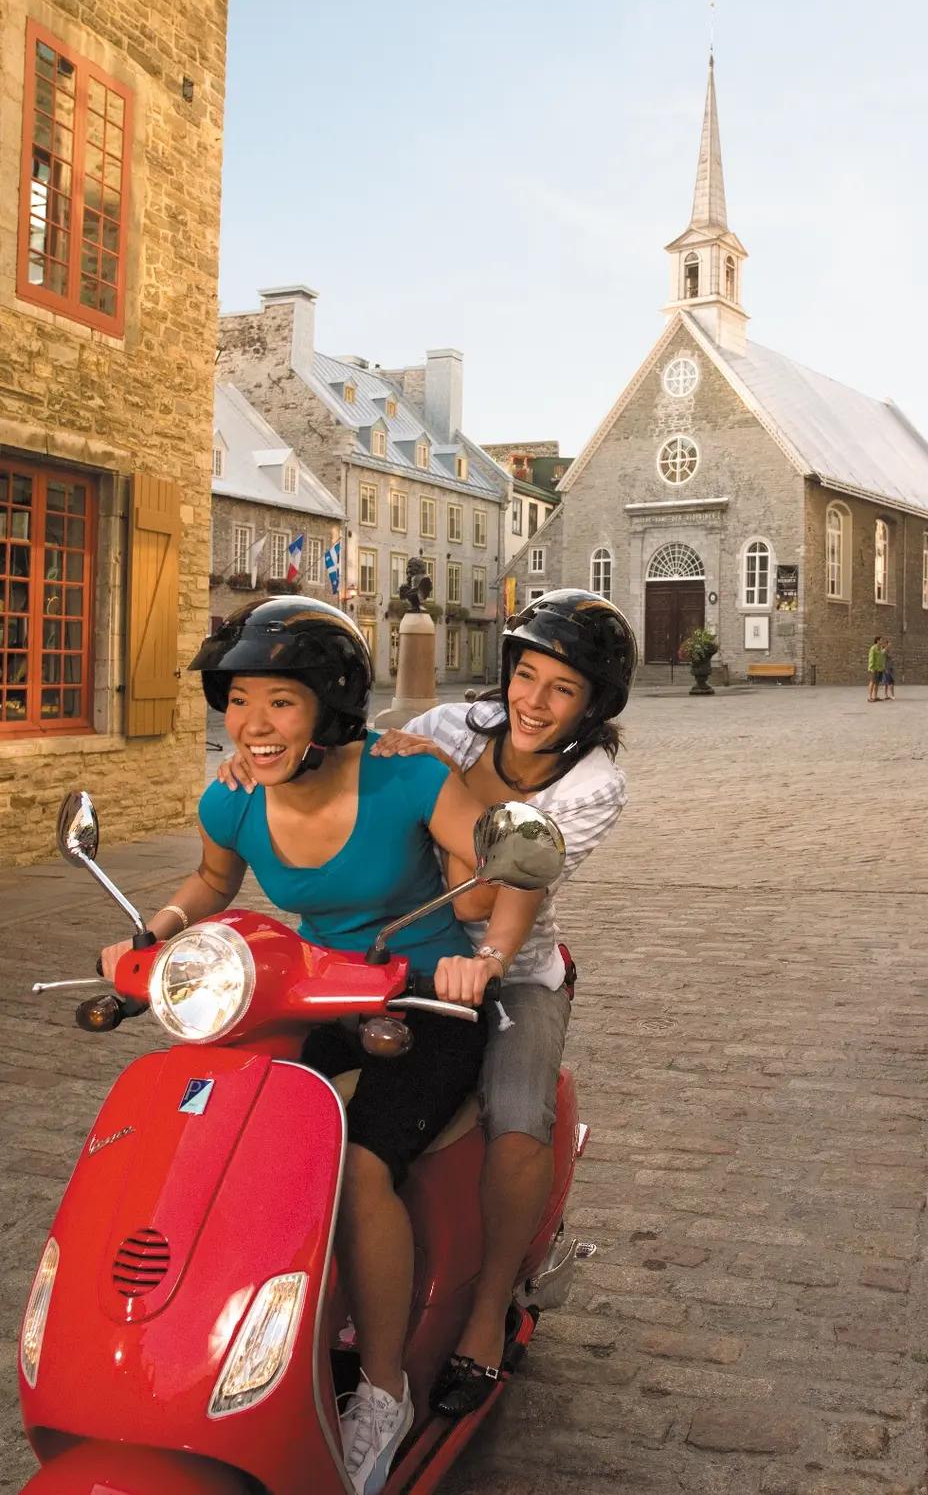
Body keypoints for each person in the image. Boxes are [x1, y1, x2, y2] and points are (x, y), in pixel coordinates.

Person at [101, 597, 543, 1495]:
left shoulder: (406, 779)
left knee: (361, 1161)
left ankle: (381, 1387)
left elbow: (514, 861)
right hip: (314, 995)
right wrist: (161, 928)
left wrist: (485, 959)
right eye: (239, 700)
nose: (253, 725)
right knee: (224, 1139)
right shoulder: (232, 797)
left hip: (425, 1003)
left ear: (329, 709)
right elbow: (214, 878)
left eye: (281, 702)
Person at [218, 589, 636, 1419]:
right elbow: (349, 758)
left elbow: (489, 898)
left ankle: (483, 1320)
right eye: (526, 675)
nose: (534, 700)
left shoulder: (593, 786)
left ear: (594, 706)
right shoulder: (451, 726)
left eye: (562, 688)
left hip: (507, 966)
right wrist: (261, 754)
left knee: (518, 1117)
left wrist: (441, 812)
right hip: (396, 962)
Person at [867, 635, 886, 702]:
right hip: (874, 668)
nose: (882, 641)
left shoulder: (880, 648)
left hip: (879, 669)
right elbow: (871, 658)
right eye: (881, 640)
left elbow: (882, 658)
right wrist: (871, 667)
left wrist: (883, 667)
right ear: (877, 640)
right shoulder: (873, 648)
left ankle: (875, 696)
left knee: (877, 683)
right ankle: (869, 697)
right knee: (872, 682)